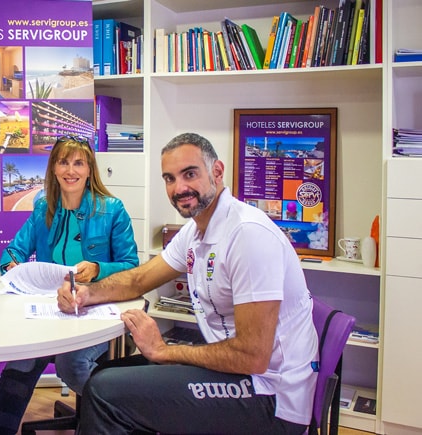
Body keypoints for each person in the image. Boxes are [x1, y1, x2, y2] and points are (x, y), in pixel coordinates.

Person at [57, 132, 318, 435]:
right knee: (105, 375)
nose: (179, 188)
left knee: (106, 393)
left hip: (271, 396)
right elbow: (139, 279)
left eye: (189, 174)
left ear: (217, 172)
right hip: (241, 375)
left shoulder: (248, 235)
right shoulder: (197, 231)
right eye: (169, 178)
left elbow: (253, 356)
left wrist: (164, 351)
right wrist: (88, 293)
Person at [0, 135, 139, 435]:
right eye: (63, 162)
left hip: (97, 312)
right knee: (21, 359)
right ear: (53, 168)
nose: (71, 170)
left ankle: (123, 419)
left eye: (78, 163)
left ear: (90, 169)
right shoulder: (44, 207)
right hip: (51, 309)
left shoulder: (112, 210)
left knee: (72, 364)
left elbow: (131, 268)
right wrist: (13, 267)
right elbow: (12, 252)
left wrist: (97, 269)